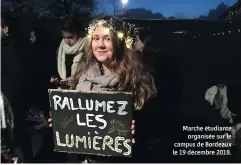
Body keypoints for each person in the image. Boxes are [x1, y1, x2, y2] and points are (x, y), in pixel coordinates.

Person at [48, 15, 157, 162]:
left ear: (118, 41)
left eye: (107, 38)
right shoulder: (83, 72)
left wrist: (137, 129)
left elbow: (153, 126)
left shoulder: (136, 77)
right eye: (95, 38)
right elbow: (78, 117)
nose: (100, 45)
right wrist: (62, 120)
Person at [50, 15, 85, 88]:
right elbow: (56, 71)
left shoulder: (88, 49)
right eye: (64, 37)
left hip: (82, 93)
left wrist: (75, 80)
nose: (67, 42)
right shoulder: (60, 50)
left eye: (70, 37)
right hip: (65, 95)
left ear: (79, 34)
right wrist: (56, 79)